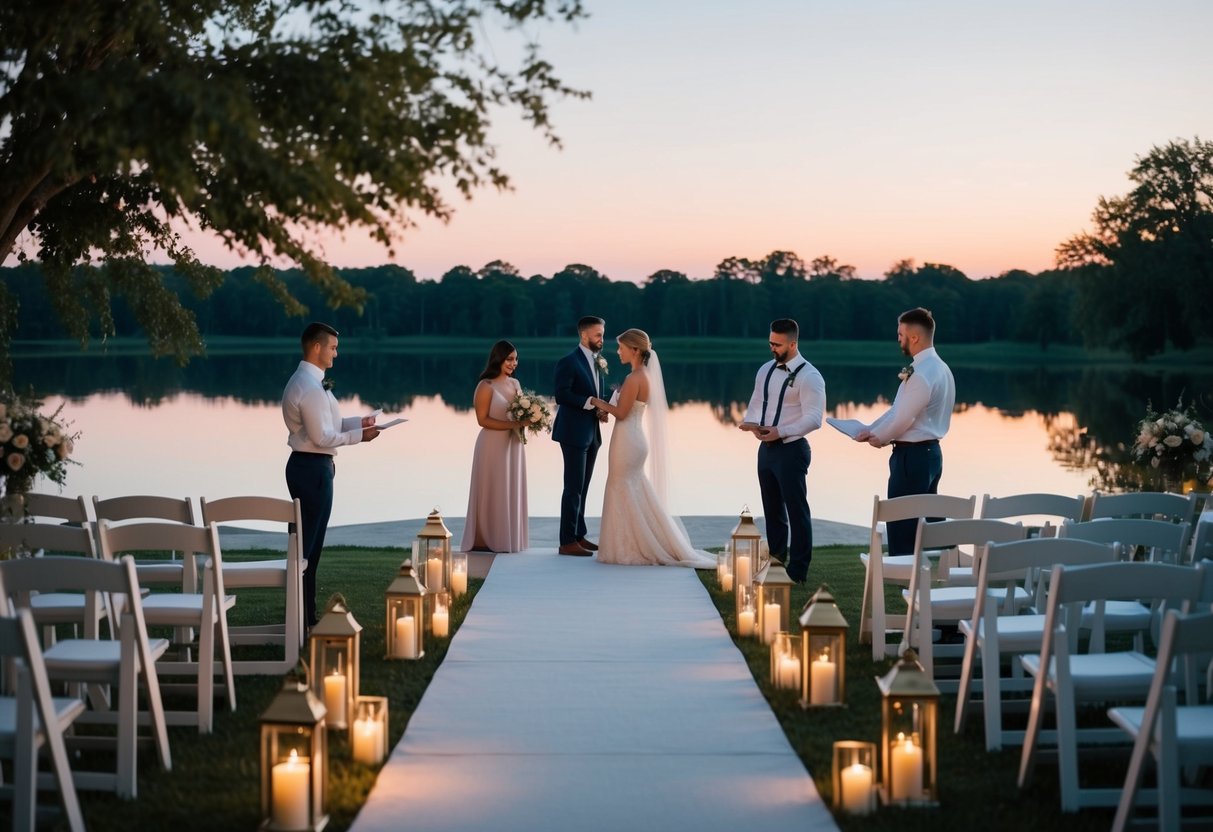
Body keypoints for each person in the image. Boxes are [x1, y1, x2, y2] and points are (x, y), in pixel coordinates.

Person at [590, 329, 715, 568]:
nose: (618, 352)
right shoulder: (643, 375)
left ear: (635, 350)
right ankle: (633, 543)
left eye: (622, 348)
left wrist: (596, 401)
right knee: (633, 489)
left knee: (622, 487)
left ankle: (629, 547)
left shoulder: (635, 377)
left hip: (627, 440)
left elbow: (622, 412)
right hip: (634, 438)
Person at [281, 322, 379, 628]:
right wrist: (359, 438)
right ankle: (303, 617)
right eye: (333, 347)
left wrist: (358, 423)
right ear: (316, 347)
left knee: (309, 547)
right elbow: (323, 437)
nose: (336, 353)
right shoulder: (308, 387)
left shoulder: (311, 383)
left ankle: (304, 614)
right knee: (307, 549)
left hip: (312, 467)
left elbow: (329, 425)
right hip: (312, 470)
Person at [855, 307, 956, 554]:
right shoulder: (940, 368)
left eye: (900, 334)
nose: (898, 339)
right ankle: (930, 570)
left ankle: (904, 580)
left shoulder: (922, 373)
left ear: (914, 337)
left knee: (902, 522)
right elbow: (898, 410)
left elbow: (904, 417)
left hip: (912, 458)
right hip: (931, 454)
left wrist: (880, 438)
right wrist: (870, 428)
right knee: (926, 517)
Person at [739, 318, 826, 584]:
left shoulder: (810, 376)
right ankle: (776, 561)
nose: (772, 348)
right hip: (766, 449)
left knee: (797, 511)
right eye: (770, 343)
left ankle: (798, 571)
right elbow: (757, 402)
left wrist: (782, 431)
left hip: (792, 450)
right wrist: (751, 423)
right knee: (772, 508)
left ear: (793, 343)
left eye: (777, 344)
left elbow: (814, 418)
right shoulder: (765, 369)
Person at [460, 340, 529, 554]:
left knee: (510, 487)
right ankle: (486, 538)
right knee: (493, 487)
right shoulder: (485, 386)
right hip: (491, 445)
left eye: (516, 359)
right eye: (509, 359)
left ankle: (508, 537)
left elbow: (521, 413)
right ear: (498, 358)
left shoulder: (515, 384)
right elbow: (482, 420)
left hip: (514, 444)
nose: (513, 363)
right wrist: (514, 424)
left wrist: (529, 421)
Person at [551, 316, 608, 556]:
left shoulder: (597, 361)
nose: (602, 339)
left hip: (592, 432)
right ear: (584, 335)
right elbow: (561, 395)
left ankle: (579, 535)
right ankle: (566, 542)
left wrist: (599, 410)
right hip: (573, 432)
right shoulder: (568, 361)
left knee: (583, 487)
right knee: (572, 487)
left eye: (602, 334)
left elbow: (594, 392)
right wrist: (591, 402)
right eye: (598, 335)